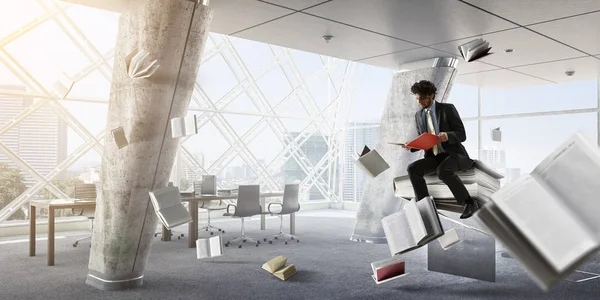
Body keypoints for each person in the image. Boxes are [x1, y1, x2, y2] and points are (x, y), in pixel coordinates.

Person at [402, 80, 479, 219]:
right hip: (434, 156)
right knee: (413, 168)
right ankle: (424, 206)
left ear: (431, 96)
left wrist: (447, 136)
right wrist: (411, 145)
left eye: (422, 98)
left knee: (443, 171)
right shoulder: (418, 116)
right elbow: (423, 139)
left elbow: (462, 134)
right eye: (417, 99)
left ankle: (469, 202)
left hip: (453, 154)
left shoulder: (447, 109)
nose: (419, 102)